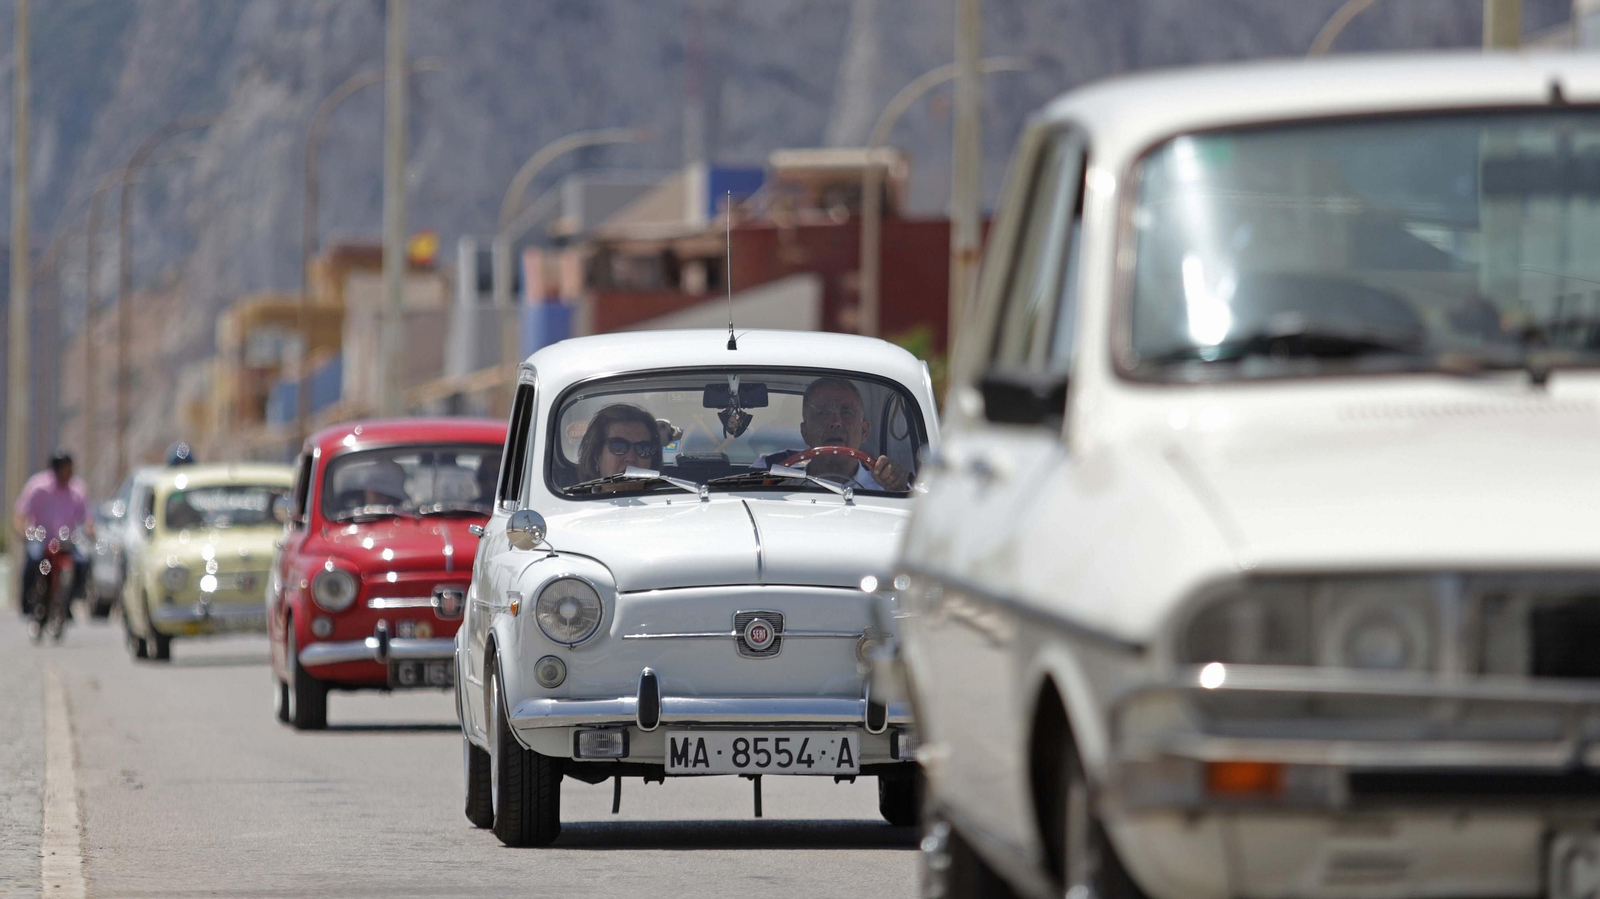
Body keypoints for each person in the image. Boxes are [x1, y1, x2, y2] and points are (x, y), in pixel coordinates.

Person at [752, 377, 910, 491]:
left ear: (864, 431)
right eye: (823, 413)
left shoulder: (887, 491)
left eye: (846, 412)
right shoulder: (778, 490)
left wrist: (898, 488)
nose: (836, 422)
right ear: (805, 432)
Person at [12, 450, 92, 620]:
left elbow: (87, 518)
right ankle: (26, 602)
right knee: (33, 560)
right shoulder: (38, 486)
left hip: (66, 540)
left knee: (82, 562)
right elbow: (20, 514)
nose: (69, 473)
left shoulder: (77, 490)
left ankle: (70, 600)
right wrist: (23, 532)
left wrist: (91, 530)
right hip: (41, 538)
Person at [576, 404, 663, 483]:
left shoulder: (666, 499)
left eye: (643, 448)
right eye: (619, 446)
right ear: (596, 455)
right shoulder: (569, 500)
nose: (631, 458)